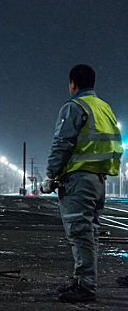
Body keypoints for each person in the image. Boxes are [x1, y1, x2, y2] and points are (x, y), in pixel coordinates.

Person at [41, 64, 123, 303]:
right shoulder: (104, 108)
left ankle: (86, 286)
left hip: (79, 181)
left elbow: (62, 144)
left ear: (72, 83)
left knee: (80, 234)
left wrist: (50, 176)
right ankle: (81, 280)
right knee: (89, 234)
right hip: (99, 180)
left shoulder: (74, 107)